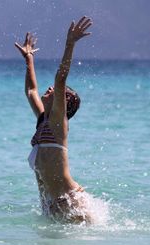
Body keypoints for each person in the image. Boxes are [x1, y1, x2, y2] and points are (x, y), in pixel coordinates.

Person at [15, 16, 94, 223]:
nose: (49, 89)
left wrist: (70, 44)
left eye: (57, 91)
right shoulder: (43, 121)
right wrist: (29, 59)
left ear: (64, 101)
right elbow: (31, 91)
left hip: (71, 203)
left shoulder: (59, 124)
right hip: (52, 207)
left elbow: (60, 79)